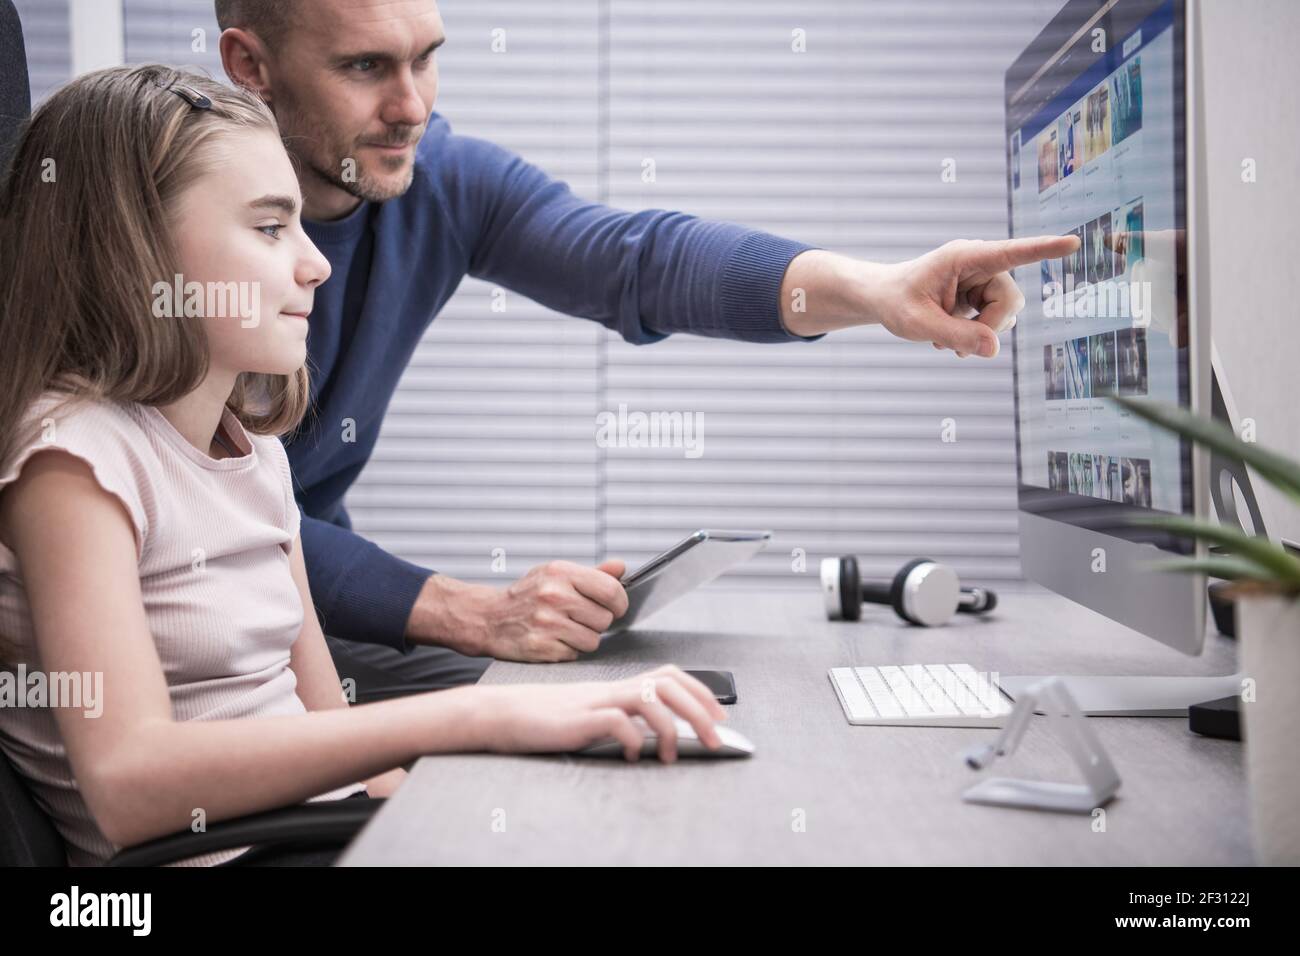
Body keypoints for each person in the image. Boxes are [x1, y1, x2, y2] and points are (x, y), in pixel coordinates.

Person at [210, 0, 1079, 693]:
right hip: (214, 639)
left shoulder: (440, 179)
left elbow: (639, 262)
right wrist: (465, 609)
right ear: (250, 66)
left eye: (427, 57)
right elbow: (211, 516)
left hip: (323, 615)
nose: (412, 107)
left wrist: (877, 290)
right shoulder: (169, 223)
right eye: (364, 67)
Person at [0, 65, 728, 867]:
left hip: (317, 833)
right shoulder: (73, 463)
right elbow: (128, 783)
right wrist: (477, 718)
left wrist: (513, 784)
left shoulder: (256, 453)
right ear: (137, 248)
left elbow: (328, 731)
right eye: (272, 228)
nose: (316, 264)